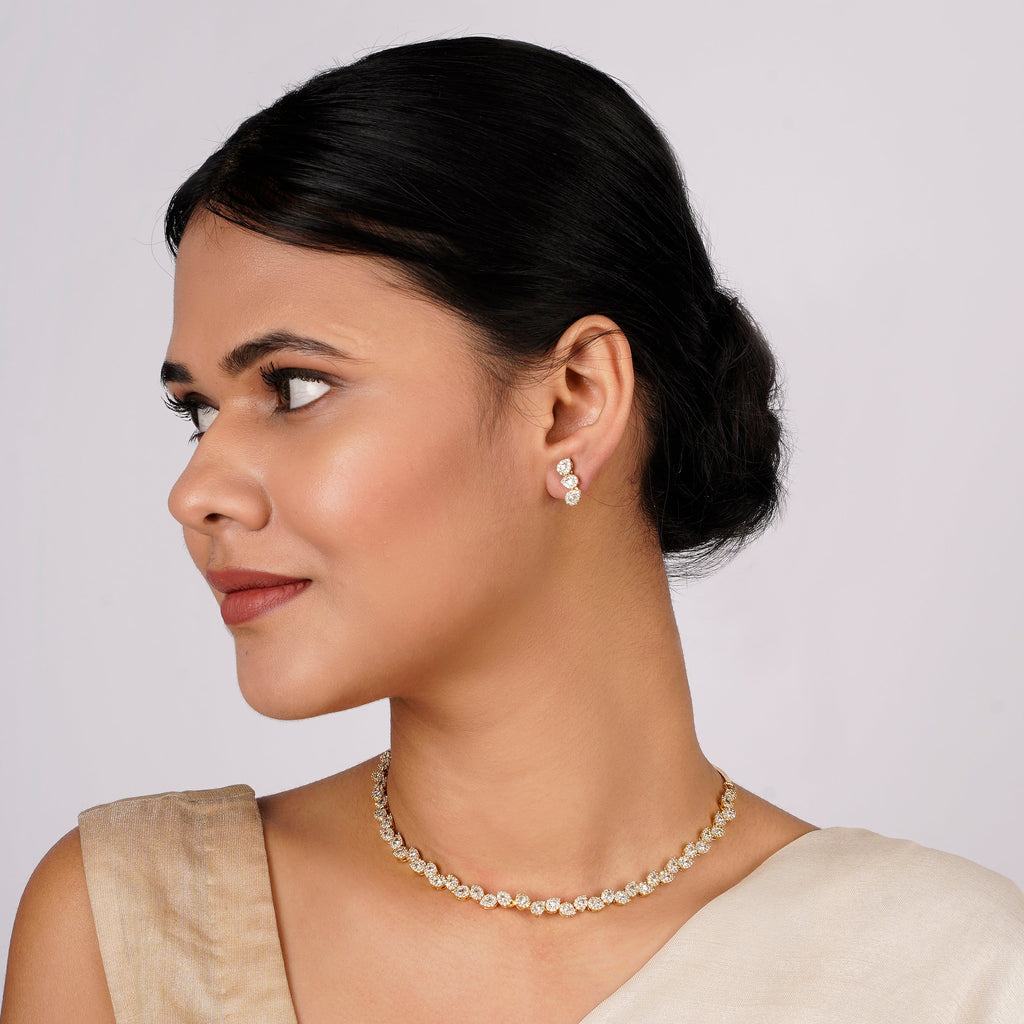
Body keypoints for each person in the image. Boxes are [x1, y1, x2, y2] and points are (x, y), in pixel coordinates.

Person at [2, 35, 1021, 1024]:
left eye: (296, 385)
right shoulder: (130, 930)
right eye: (198, 410)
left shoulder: (949, 977)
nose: (195, 492)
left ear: (572, 401)